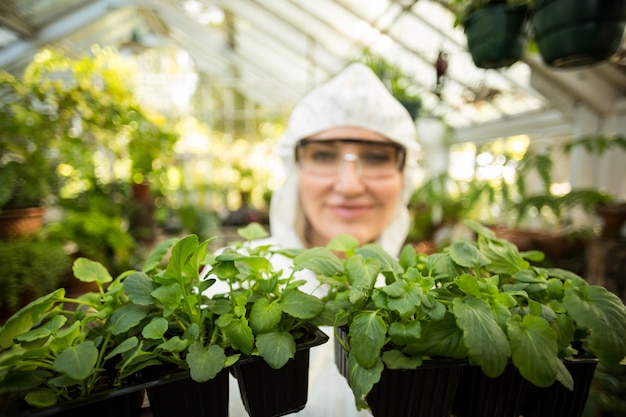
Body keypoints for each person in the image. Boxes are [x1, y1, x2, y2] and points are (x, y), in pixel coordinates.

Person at [220, 62, 421, 416]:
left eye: (376, 157)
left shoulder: (429, 297)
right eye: (324, 155)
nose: (348, 186)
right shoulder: (227, 282)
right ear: (294, 168)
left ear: (407, 175)